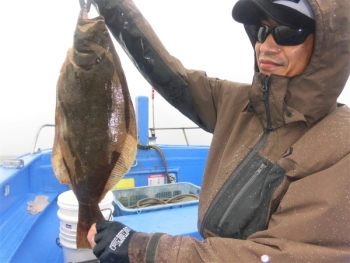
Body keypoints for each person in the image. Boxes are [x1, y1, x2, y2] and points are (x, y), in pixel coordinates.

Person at [87, 0, 350, 262]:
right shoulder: (239, 103)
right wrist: (111, 6)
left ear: (328, 47)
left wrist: (143, 249)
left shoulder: (340, 147)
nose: (267, 46)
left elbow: (276, 256)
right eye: (261, 31)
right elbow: (171, 77)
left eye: (287, 33)